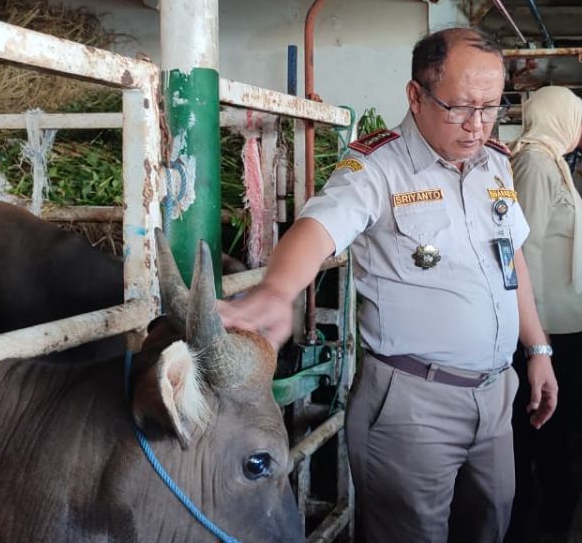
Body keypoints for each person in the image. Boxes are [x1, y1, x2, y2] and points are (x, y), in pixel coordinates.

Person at [219, 27, 558, 543]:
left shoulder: (494, 164)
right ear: (416, 95)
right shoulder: (378, 166)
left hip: (494, 395)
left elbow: (510, 259)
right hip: (413, 405)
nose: (477, 124)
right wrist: (276, 291)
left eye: (492, 108)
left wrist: (537, 348)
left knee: (489, 525)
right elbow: (319, 228)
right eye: (461, 107)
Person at [508, 87, 582, 537]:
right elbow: (520, 248)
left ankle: (550, 508)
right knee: (538, 423)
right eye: (575, 116)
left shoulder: (552, 161)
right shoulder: (535, 164)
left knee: (553, 424)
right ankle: (532, 516)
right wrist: (535, 334)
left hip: (558, 321)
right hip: (542, 325)